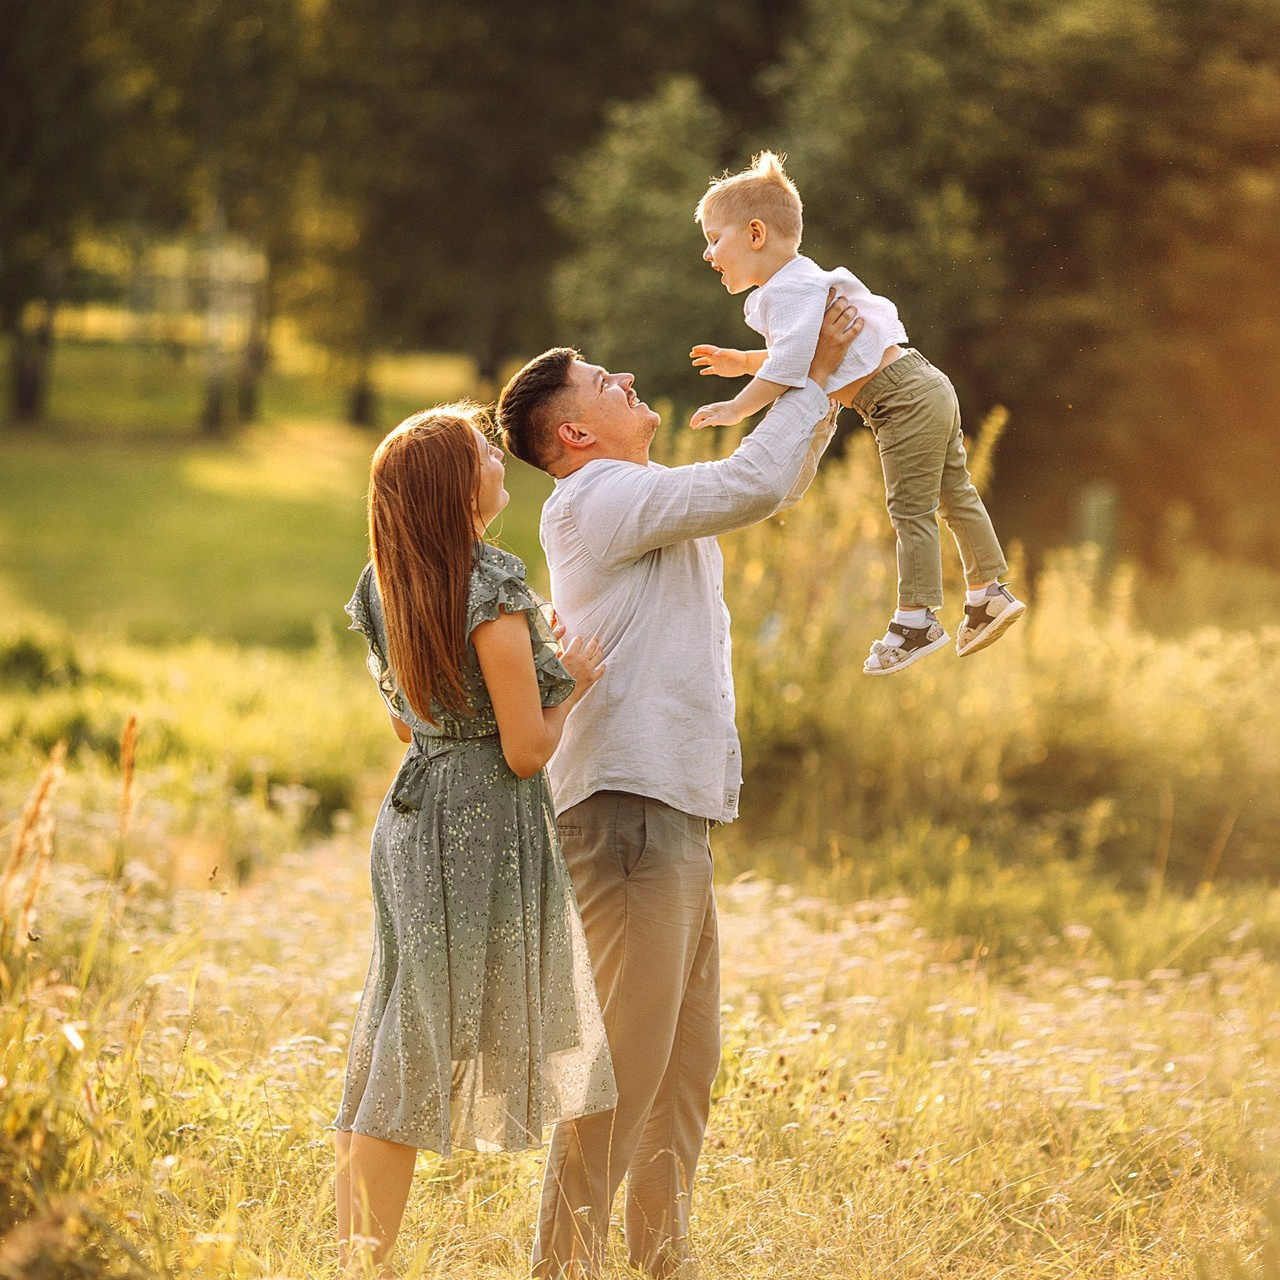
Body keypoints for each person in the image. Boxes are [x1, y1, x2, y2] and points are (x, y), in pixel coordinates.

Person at [496, 293, 862, 1278]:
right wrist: (812, 376)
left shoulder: (639, 494)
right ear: (575, 433)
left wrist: (818, 383)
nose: (624, 378)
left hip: (673, 812)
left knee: (681, 1070)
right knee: (625, 1065)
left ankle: (663, 1261)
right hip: (626, 812)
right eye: (601, 381)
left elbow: (766, 480)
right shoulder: (597, 498)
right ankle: (561, 1267)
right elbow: (752, 481)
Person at [332, 404, 616, 1276]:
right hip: (479, 828)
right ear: (458, 490)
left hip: (413, 812)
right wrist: (574, 682)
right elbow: (526, 751)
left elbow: (404, 720)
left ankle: (354, 1254)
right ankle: (363, 1264)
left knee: (397, 1030)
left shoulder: (387, 580)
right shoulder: (490, 583)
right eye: (484, 453)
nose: (498, 459)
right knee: (414, 1049)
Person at [690, 150, 1026, 675]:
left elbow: (791, 367)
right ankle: (988, 594)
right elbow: (800, 354)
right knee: (954, 494)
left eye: (714, 239)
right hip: (922, 382)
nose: (708, 253)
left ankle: (916, 620)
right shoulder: (801, 282)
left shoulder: (785, 291)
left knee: (909, 509)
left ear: (756, 234)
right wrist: (744, 362)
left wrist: (737, 407)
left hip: (898, 399)